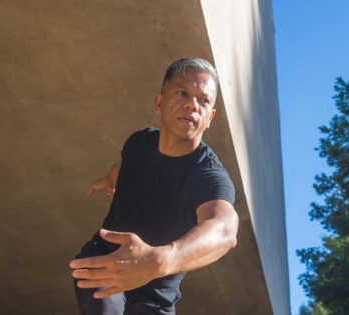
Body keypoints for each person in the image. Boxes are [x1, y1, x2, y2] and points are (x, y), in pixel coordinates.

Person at [70, 58, 239, 315]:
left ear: (210, 117)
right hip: (106, 263)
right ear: (159, 102)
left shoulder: (207, 175)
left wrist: (161, 260)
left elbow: (224, 230)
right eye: (182, 92)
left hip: (155, 298)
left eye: (203, 100)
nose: (192, 104)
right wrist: (108, 180)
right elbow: (123, 167)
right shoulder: (140, 142)